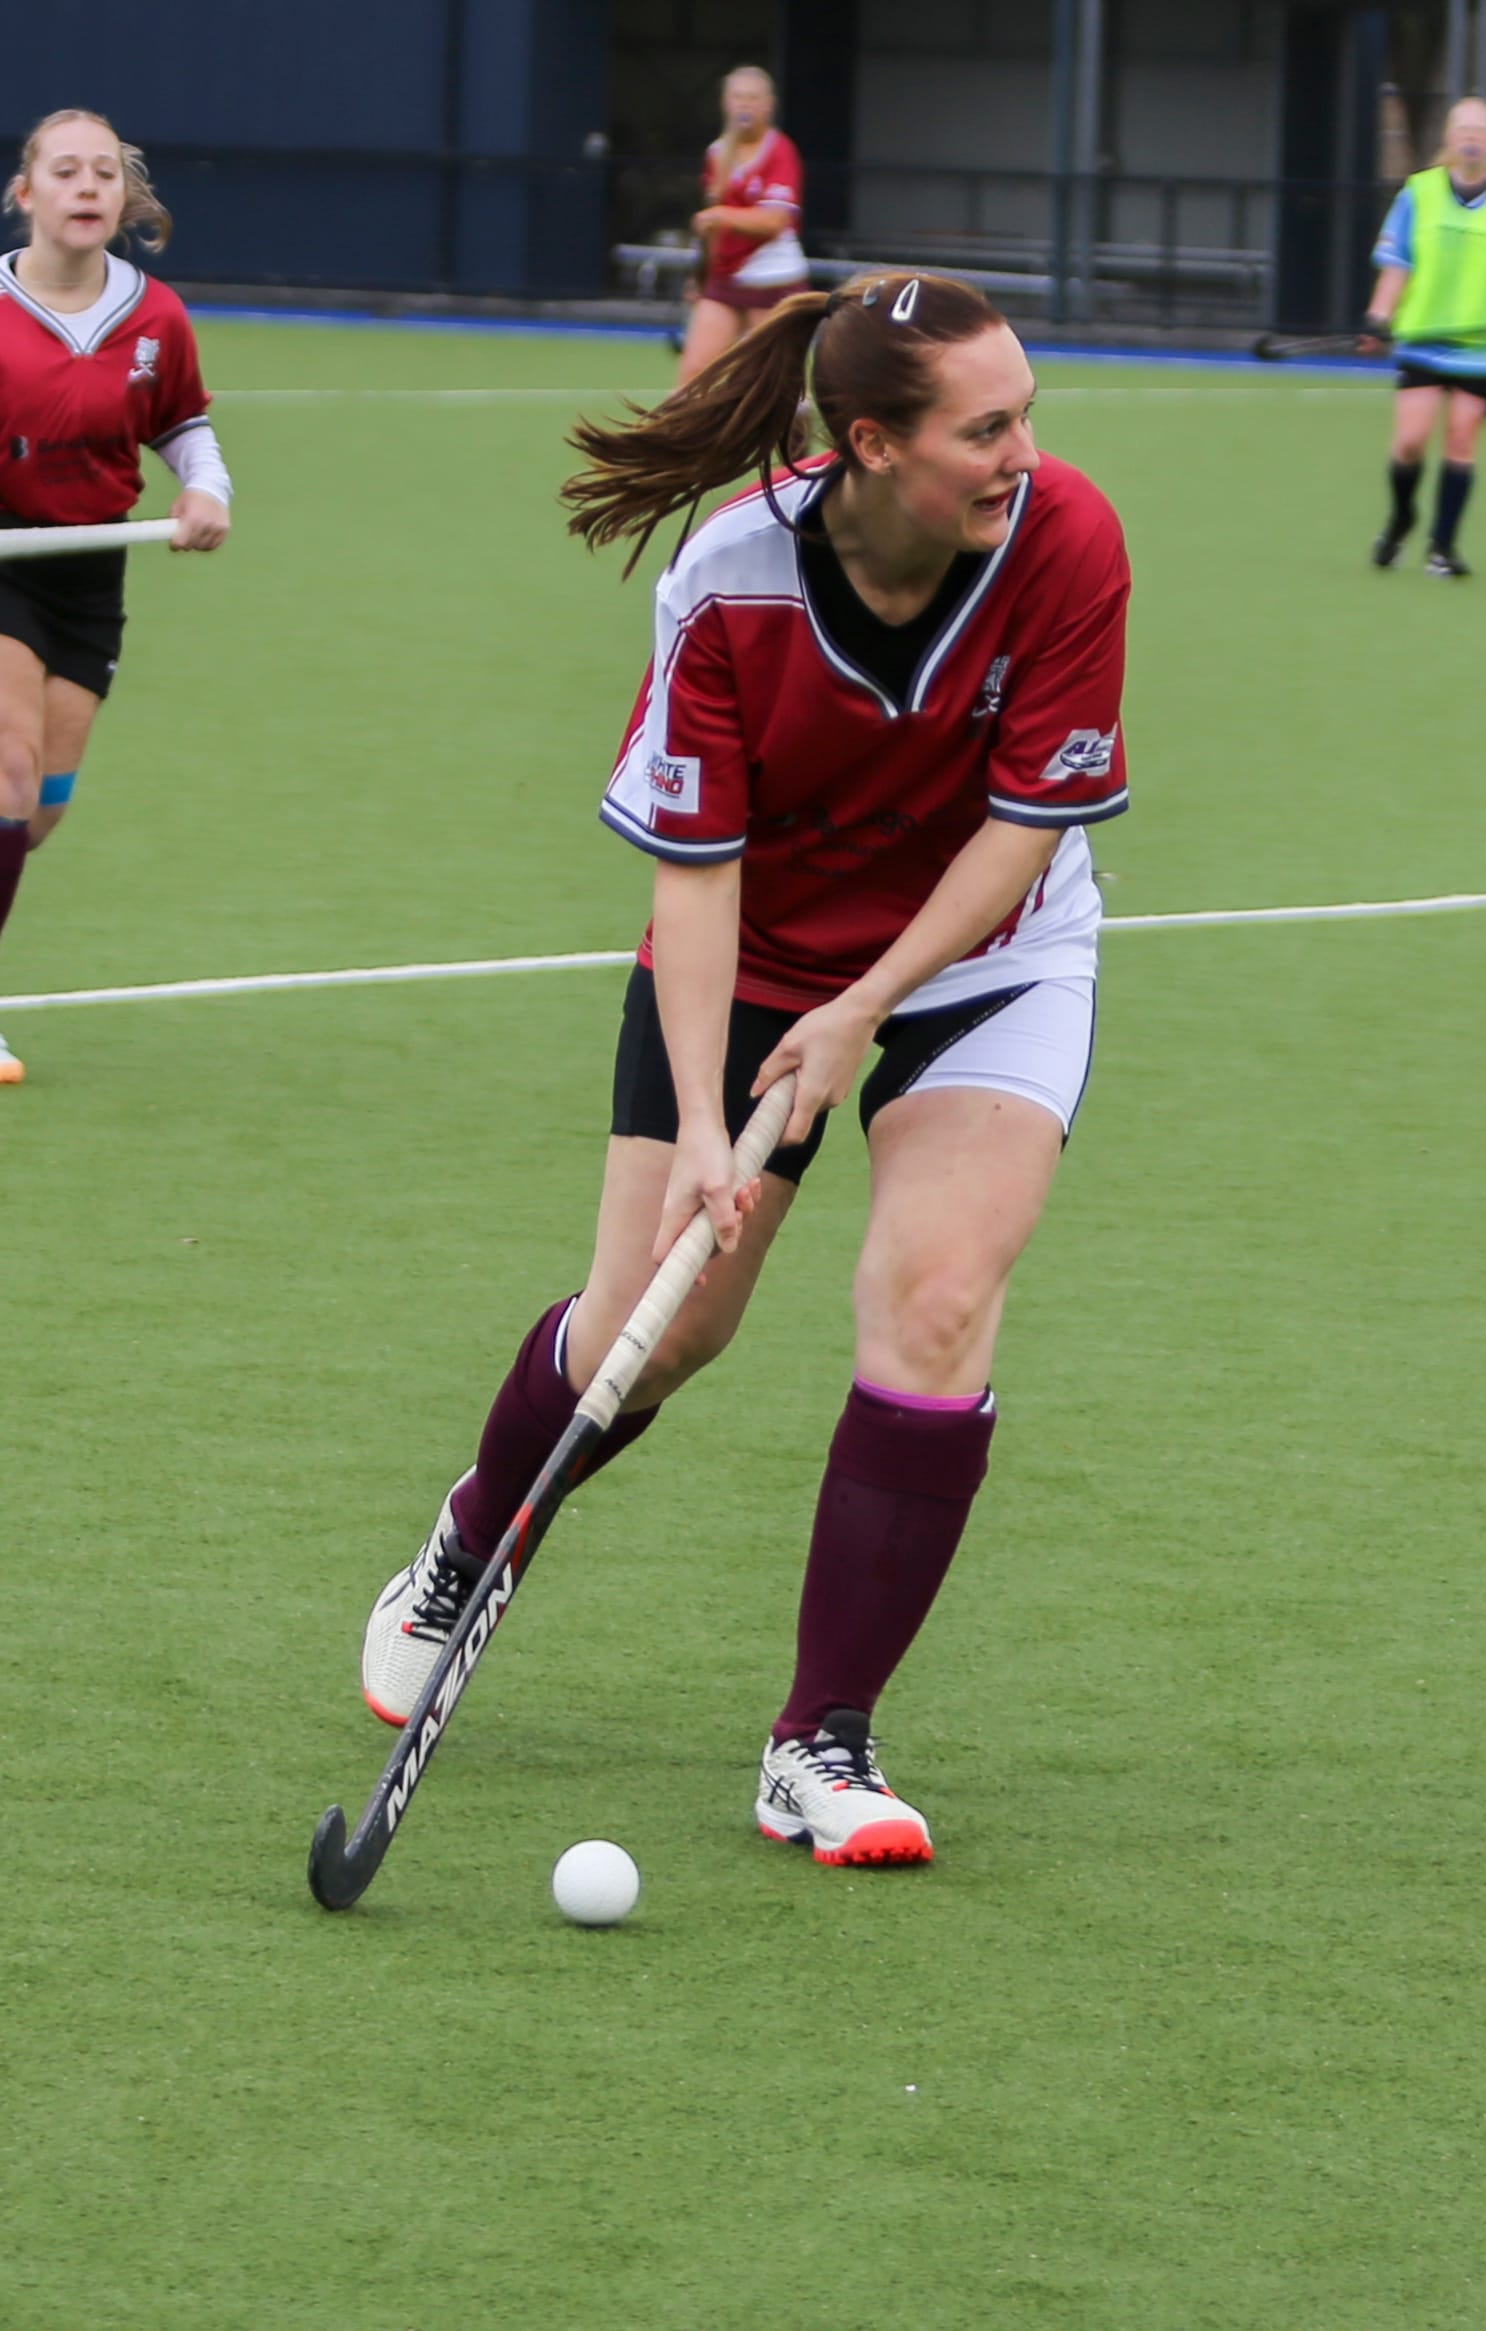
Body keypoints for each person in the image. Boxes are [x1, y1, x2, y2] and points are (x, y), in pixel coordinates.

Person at [359, 271, 1130, 1868]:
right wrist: (712, 1122)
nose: (1021, 455)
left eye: (1025, 417)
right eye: (984, 429)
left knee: (936, 1296)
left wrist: (867, 1005)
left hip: (983, 953)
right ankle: (472, 1535)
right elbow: (695, 868)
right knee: (657, 1324)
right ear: (873, 444)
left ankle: (819, 1740)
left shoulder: (1065, 539)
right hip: (756, 946)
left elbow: (1022, 826)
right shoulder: (729, 574)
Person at [0, 109, 231, 1086]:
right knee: (8, 780)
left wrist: (207, 490)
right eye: (66, 170)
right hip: (2, 557)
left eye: (104, 171)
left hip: (91, 574)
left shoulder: (155, 315)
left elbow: (182, 425)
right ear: (27, 194)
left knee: (39, 813)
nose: (88, 185)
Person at [1363, 97, 1486, 578]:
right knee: (1409, 442)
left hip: (1482, 350)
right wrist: (1378, 316)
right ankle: (1401, 518)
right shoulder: (1418, 192)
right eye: (1463, 128)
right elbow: (1397, 265)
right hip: (1422, 340)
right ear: (1449, 136)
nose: (1471, 137)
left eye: (1481, 129)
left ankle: (1442, 546)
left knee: (1461, 441)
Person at [676, 64, 808, 392]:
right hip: (725, 279)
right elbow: (715, 231)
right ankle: (678, 427)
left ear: (768, 105)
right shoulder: (716, 153)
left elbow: (774, 222)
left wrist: (721, 215)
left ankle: (793, 425)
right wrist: (702, 276)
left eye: (752, 98)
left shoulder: (780, 150)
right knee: (694, 373)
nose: (744, 105)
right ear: (726, 103)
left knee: (774, 383)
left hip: (773, 279)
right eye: (738, 97)